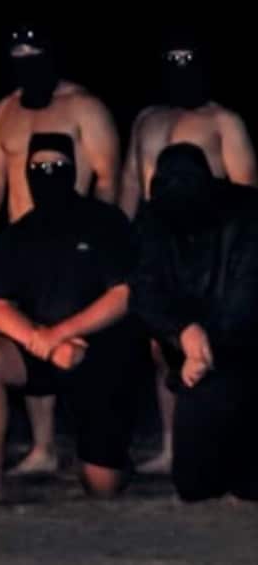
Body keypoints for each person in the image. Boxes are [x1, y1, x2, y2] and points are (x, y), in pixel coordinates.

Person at [0, 24, 121, 476]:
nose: (27, 62)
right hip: (21, 242)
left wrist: (99, 239)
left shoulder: (84, 107)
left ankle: (97, 446)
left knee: (78, 340)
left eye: (35, 53)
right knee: (28, 333)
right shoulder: (5, 112)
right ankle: (42, 446)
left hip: (80, 245)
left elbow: (109, 175)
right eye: (19, 54)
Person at [0, 134, 143, 506]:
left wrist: (63, 333)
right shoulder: (17, 234)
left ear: (73, 171)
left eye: (57, 168)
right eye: (40, 168)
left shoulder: (105, 221)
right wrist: (41, 342)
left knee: (103, 486)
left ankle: (108, 454)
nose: (49, 175)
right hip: (42, 349)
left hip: (98, 351)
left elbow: (123, 296)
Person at [118, 35, 257, 474]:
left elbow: (246, 192)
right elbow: (129, 185)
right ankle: (172, 444)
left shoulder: (224, 120)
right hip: (159, 241)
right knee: (162, 345)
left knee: (223, 341)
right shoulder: (147, 119)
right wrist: (125, 243)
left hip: (213, 248)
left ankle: (228, 445)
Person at [131, 143, 258, 502]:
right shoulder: (154, 217)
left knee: (248, 484)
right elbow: (144, 289)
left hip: (246, 348)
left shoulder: (248, 215)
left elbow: (246, 298)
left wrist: (204, 348)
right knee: (195, 486)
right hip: (194, 352)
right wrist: (181, 330)